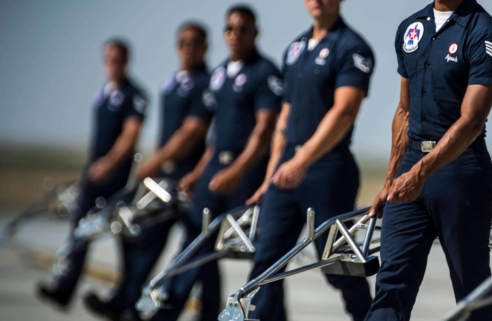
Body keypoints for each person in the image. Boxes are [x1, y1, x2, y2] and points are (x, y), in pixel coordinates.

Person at [365, 0, 492, 320]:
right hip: (411, 163)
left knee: (471, 290)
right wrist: (390, 181)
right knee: (390, 285)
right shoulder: (410, 28)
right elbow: (403, 111)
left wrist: (421, 173)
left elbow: (472, 120)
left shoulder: (486, 33)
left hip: (460, 170)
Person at [242, 0, 375, 320]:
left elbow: (345, 110)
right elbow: (285, 117)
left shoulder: (352, 47)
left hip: (327, 170)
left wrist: (304, 160)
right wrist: (271, 174)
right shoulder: (295, 48)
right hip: (286, 168)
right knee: (266, 261)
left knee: (337, 265)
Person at [148, 5, 282, 321]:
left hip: (246, 176)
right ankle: (170, 314)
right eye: (230, 29)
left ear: (255, 32)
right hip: (214, 175)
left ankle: (271, 316)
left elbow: (264, 131)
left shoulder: (265, 73)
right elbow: (215, 135)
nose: (235, 36)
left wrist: (237, 171)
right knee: (196, 244)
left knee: (265, 253)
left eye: (243, 29)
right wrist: (197, 172)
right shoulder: (219, 74)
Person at [82, 22, 218, 321]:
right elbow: (166, 132)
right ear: (176, 45)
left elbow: (192, 132)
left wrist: (153, 163)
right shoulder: (172, 83)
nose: (188, 48)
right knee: (147, 239)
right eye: (183, 42)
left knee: (199, 247)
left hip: (189, 179)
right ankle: (125, 303)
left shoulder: (206, 83)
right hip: (164, 178)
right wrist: (156, 167)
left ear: (205, 47)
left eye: (194, 43)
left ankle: (205, 312)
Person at [38, 39, 147, 310]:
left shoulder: (135, 95)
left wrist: (108, 165)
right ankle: (64, 289)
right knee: (79, 230)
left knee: (125, 237)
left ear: (126, 61)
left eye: (117, 59)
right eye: (108, 59)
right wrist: (90, 169)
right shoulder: (103, 94)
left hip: (116, 177)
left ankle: (127, 295)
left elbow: (130, 135)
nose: (112, 64)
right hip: (94, 175)